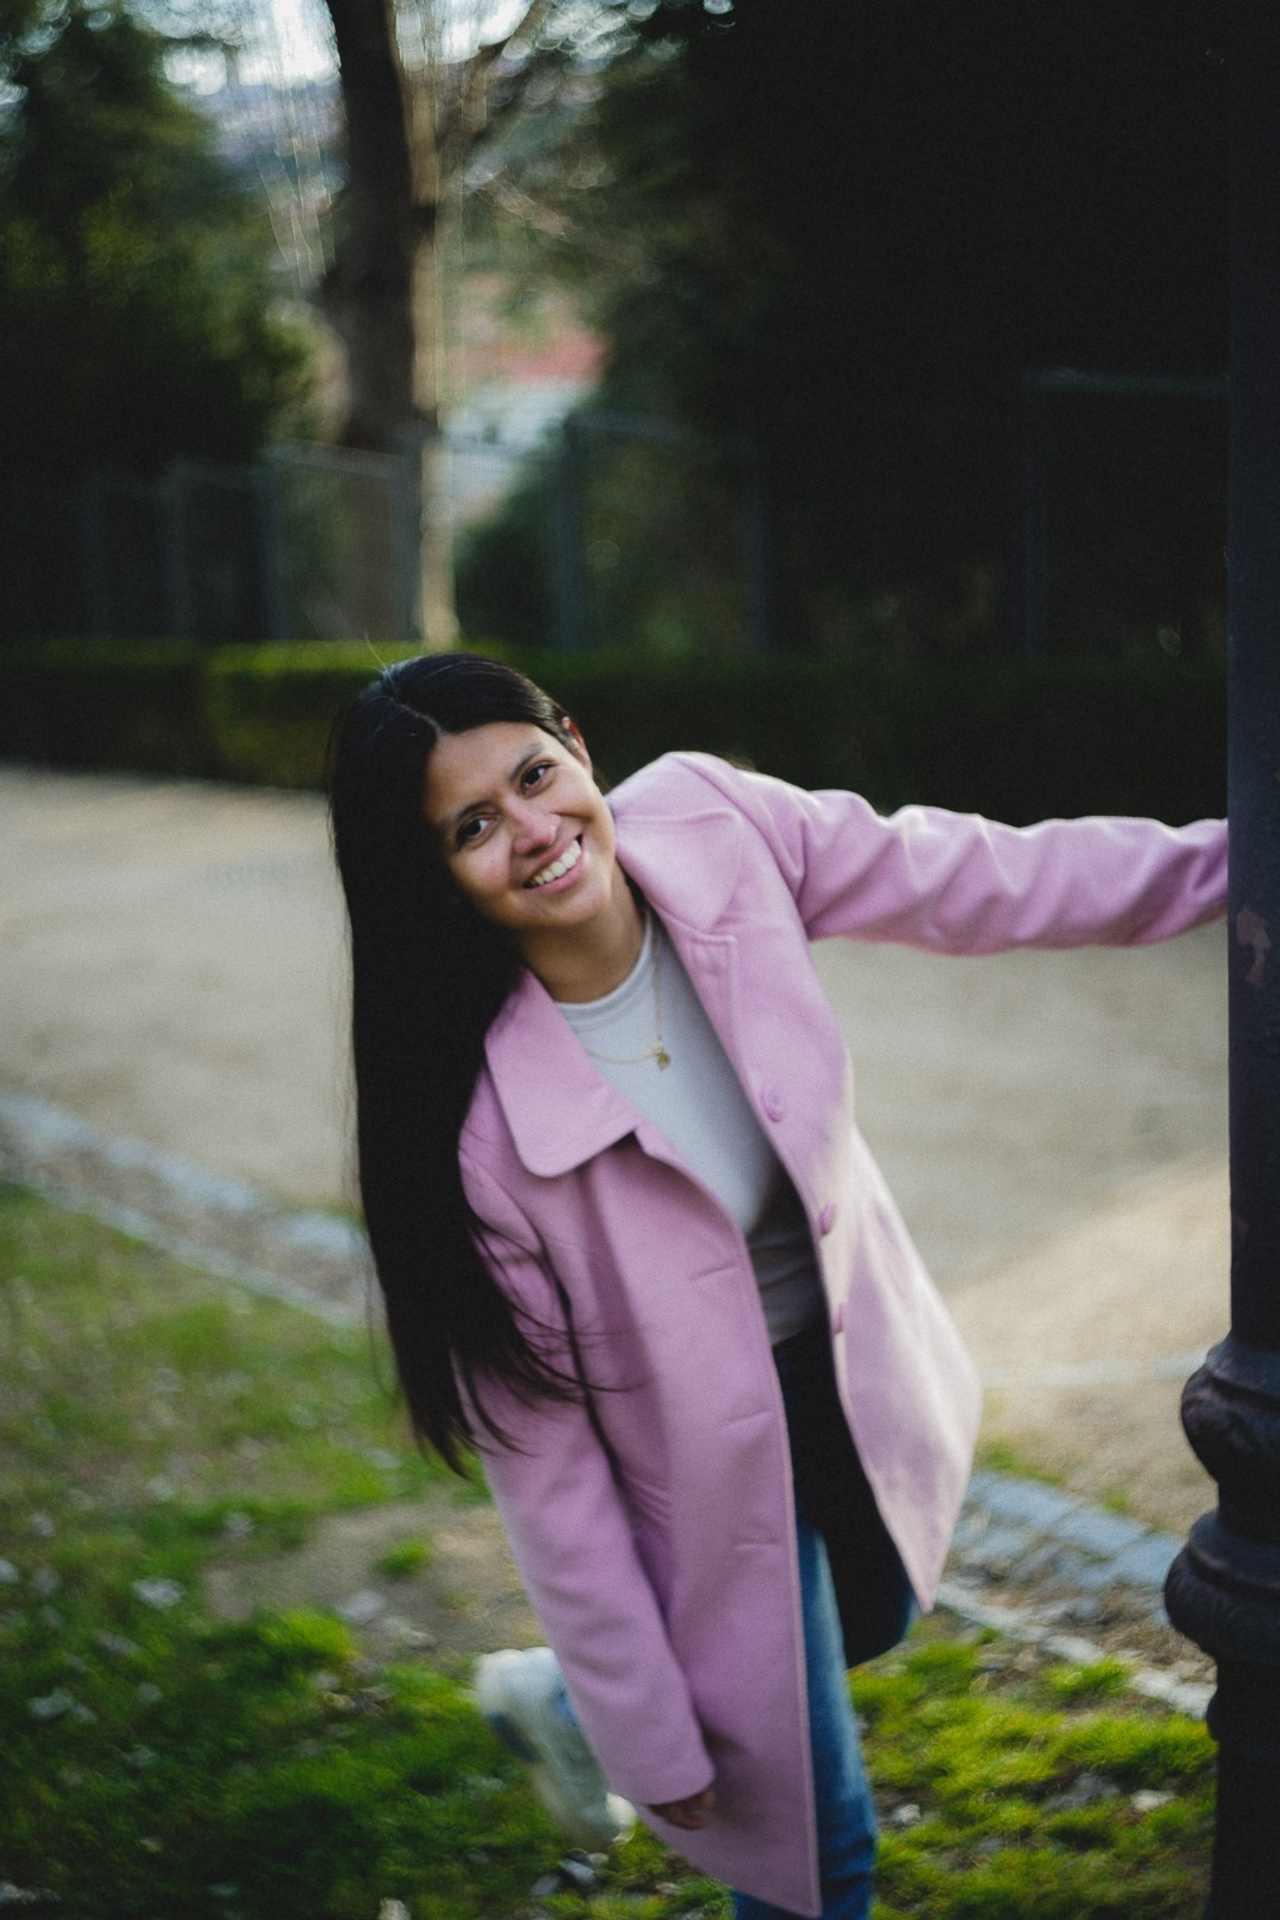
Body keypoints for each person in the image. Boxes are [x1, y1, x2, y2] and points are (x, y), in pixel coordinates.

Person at [328, 651, 1228, 1920]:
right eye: (472, 827)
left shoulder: (715, 823)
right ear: (434, 878)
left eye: (535, 776)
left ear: (578, 747)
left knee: (870, 1618)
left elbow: (977, 877)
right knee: (819, 1858)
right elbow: (552, 1485)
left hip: (851, 1374)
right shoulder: (477, 1145)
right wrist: (648, 1732)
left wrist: (1232, 860)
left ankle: (558, 1705)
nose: (531, 832)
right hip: (685, 1486)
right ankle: (608, 1707)